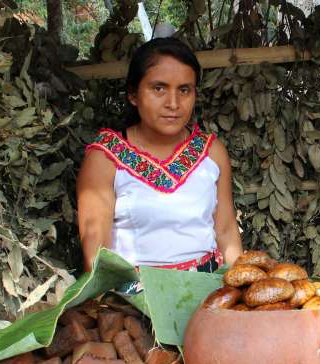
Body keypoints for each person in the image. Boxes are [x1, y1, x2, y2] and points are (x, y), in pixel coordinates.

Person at [77, 37, 243, 274]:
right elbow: (96, 256)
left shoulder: (212, 152)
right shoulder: (105, 158)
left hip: (207, 291)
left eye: (184, 90)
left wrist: (239, 297)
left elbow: (226, 231)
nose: (173, 103)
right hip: (133, 298)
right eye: (159, 88)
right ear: (133, 95)